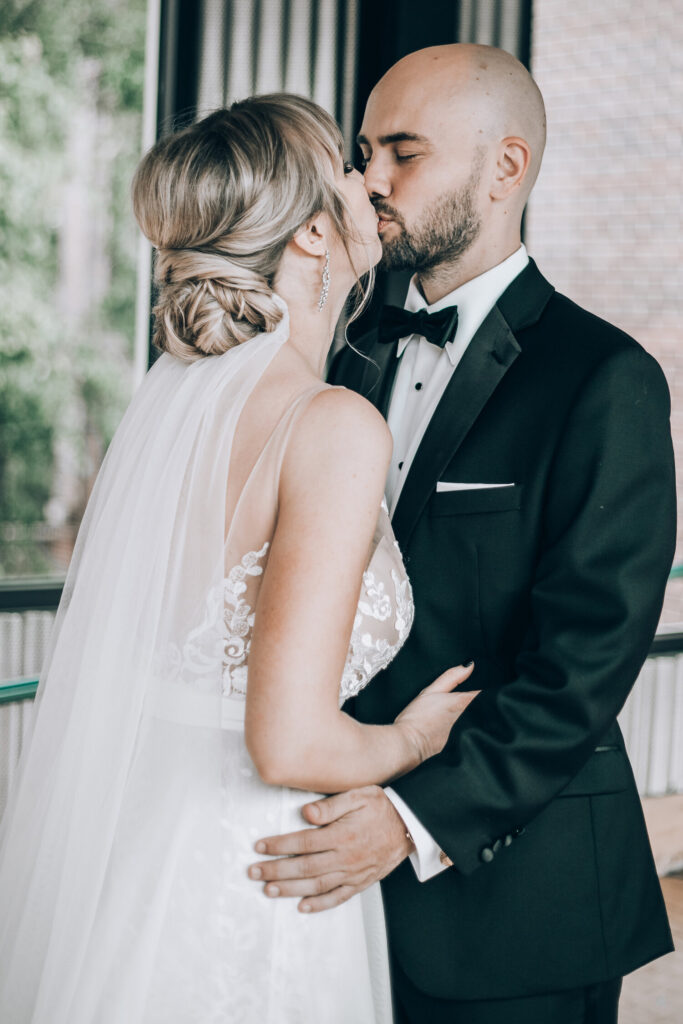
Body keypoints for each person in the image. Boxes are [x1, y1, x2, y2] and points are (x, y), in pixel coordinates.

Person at [0, 94, 478, 1023]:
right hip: (253, 867)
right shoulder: (328, 422)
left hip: (136, 848)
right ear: (310, 233)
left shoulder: (176, 400)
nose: (369, 181)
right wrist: (412, 743)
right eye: (348, 165)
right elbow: (291, 741)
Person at [249, 45, 677, 1024]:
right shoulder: (333, 361)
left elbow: (580, 667)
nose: (368, 183)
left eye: (403, 152)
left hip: (514, 903)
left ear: (504, 167)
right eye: (362, 153)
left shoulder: (601, 379)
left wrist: (406, 821)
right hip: (318, 892)